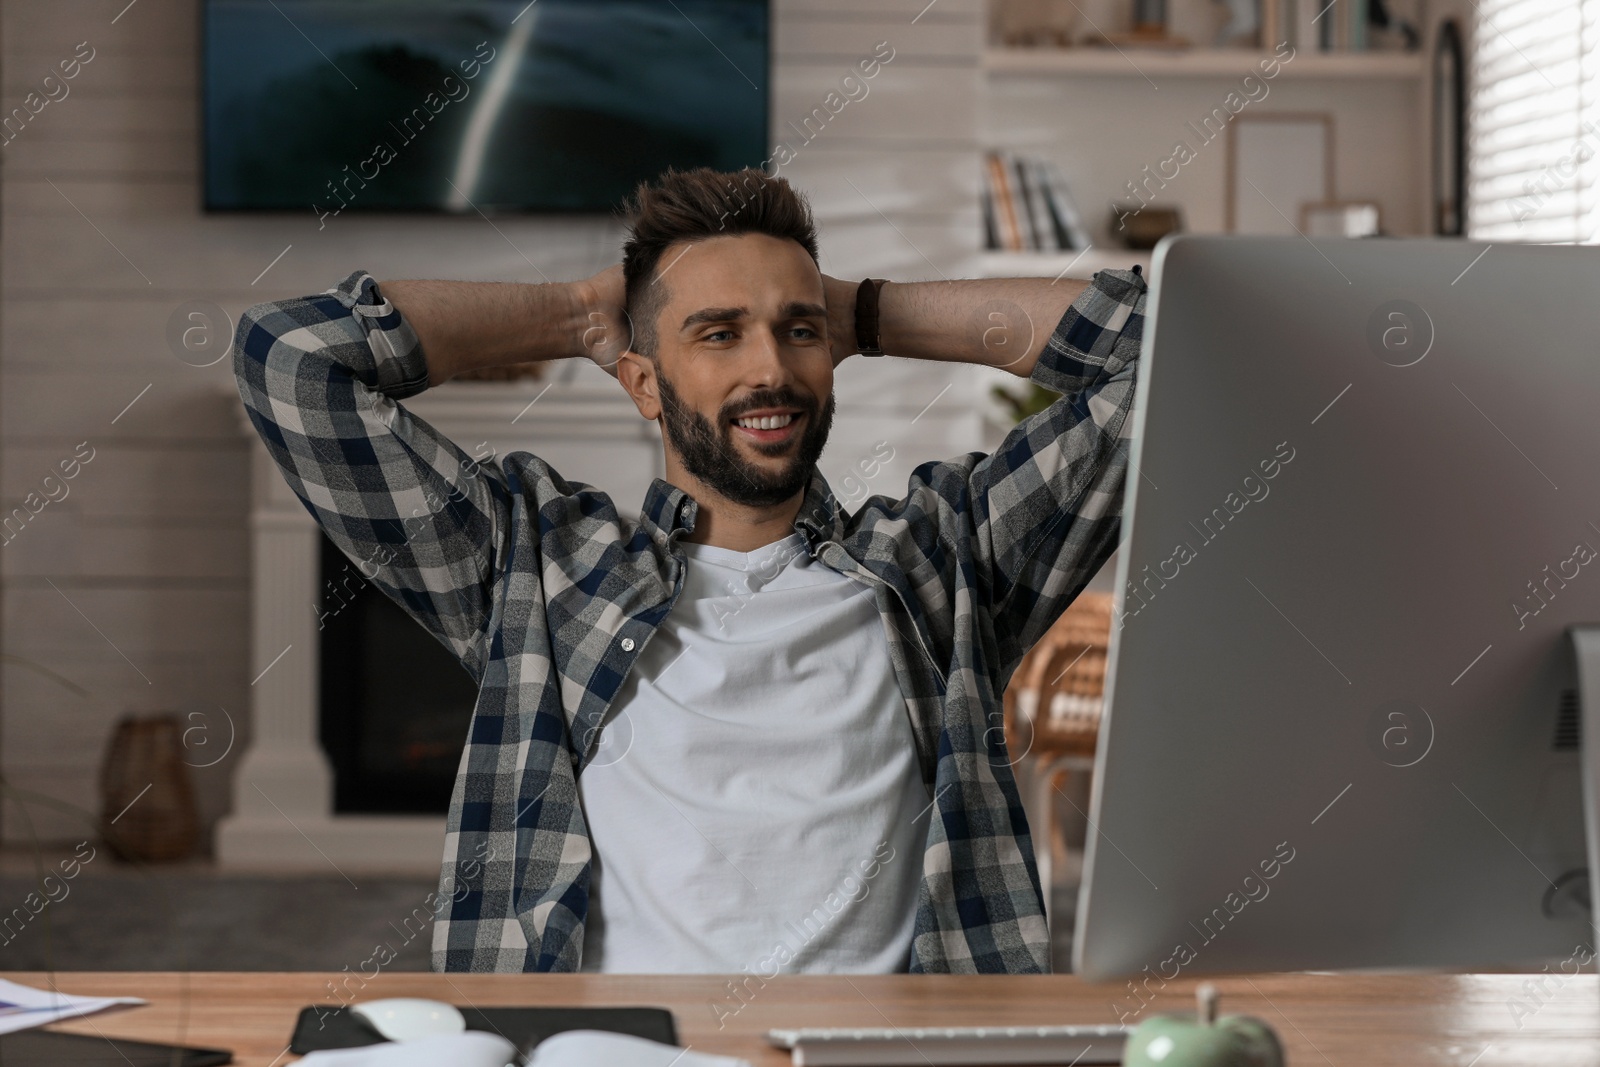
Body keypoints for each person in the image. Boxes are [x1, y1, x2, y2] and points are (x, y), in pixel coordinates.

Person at [232, 166, 1146, 975]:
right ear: (641, 383)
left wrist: (865, 310)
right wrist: (578, 314)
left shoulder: (946, 560)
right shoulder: (535, 565)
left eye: (798, 331)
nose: (770, 369)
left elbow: (1156, 346)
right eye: (718, 333)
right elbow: (291, 357)